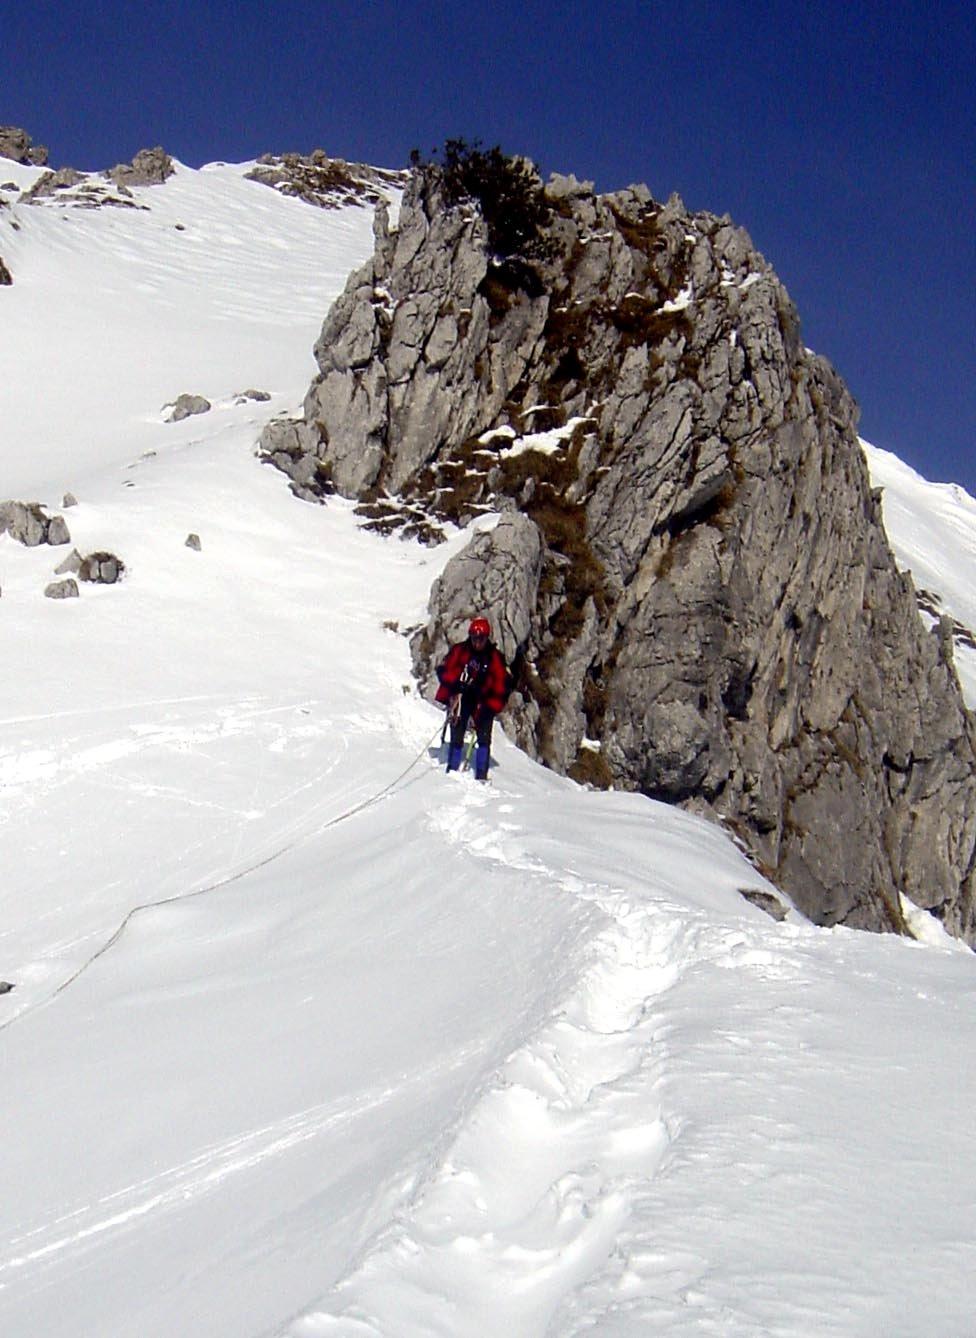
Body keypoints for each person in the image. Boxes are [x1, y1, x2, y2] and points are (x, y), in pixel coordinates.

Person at [435, 616, 510, 780]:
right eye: (474, 638)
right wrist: (455, 685)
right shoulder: (460, 651)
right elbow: (444, 669)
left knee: (483, 738)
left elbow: (502, 685)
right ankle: (452, 768)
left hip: (483, 702)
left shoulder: (494, 658)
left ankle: (481, 774)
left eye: (481, 639)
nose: (477, 642)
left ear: (486, 638)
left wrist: (490, 708)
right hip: (462, 698)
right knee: (457, 733)